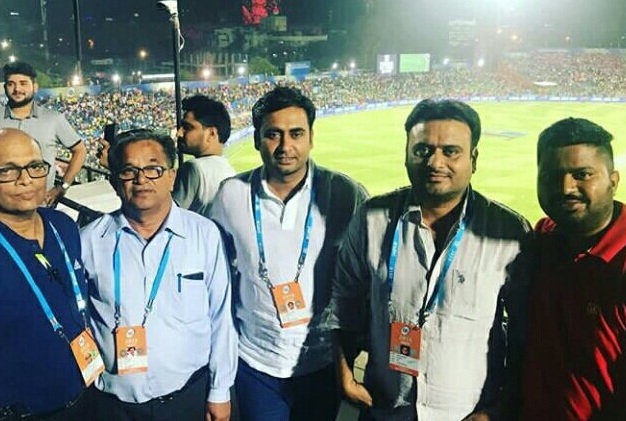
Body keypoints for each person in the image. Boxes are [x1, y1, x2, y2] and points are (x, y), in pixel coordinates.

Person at [329, 99, 532, 420]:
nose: (436, 162)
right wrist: (344, 374)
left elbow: (525, 329)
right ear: (406, 153)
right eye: (423, 150)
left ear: (473, 159)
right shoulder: (372, 218)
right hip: (385, 408)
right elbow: (344, 300)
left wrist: (503, 407)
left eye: (451, 151)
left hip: (467, 413)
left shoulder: (509, 232)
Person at [209, 86, 368, 420]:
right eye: (273, 134)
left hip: (322, 362)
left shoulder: (345, 194)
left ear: (311, 138)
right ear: (257, 139)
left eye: (296, 134)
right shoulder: (231, 195)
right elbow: (215, 272)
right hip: (255, 363)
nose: (285, 146)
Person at [80, 128, 237, 421]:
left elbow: (221, 317)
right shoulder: (88, 241)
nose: (141, 179)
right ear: (115, 181)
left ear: (172, 176)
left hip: (188, 396)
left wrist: (220, 390)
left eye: (153, 169)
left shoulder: (203, 234)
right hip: (113, 404)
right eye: (129, 171)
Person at [523, 117, 626, 419]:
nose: (566, 187)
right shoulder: (543, 238)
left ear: (613, 180)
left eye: (582, 174)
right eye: (551, 176)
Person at [0, 128, 101, 420]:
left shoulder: (63, 226)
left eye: (34, 166)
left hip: (86, 395)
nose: (26, 179)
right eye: (7, 170)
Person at [1, 61, 87, 207]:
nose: (17, 89)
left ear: (35, 87)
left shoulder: (53, 119)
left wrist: (63, 186)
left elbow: (80, 150)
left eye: (23, 83)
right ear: (5, 88)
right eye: (11, 84)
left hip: (41, 205)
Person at [173, 95, 236, 215]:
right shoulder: (230, 170)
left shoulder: (193, 168)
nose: (179, 133)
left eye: (187, 127)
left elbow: (170, 218)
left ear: (211, 133)